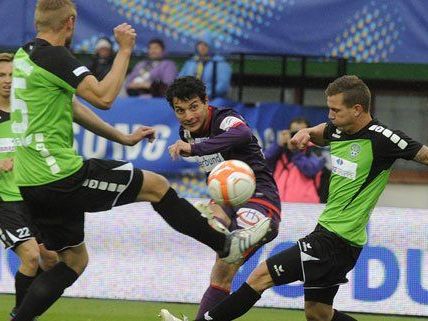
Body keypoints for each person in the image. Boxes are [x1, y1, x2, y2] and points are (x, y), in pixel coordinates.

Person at [10, 1, 271, 320]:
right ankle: (225, 245)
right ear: (70, 22)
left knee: (73, 262)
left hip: (30, 181)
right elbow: (104, 97)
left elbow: (73, 107)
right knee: (156, 186)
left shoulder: (24, 56)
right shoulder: (55, 56)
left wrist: (121, 137)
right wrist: (124, 50)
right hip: (61, 175)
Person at [160, 75, 428, 321]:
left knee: (260, 275)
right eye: (329, 109)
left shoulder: (384, 138)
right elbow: (322, 132)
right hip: (336, 236)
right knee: (318, 313)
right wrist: (306, 132)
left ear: (357, 109)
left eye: (335, 110)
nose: (330, 115)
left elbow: (423, 154)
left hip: (335, 238)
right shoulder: (338, 130)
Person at [166, 76, 281, 320]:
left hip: (260, 198)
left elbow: (242, 133)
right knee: (222, 271)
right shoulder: (187, 133)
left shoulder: (225, 118)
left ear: (206, 102)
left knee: (227, 262)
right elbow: (215, 172)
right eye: (180, 110)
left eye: (194, 106)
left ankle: (234, 234)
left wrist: (195, 149)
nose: (188, 116)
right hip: (229, 203)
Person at [0, 52, 58, 320]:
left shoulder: (29, 112)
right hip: (5, 201)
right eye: (1, 75)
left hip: (33, 197)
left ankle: (26, 311)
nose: (7, 81)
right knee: (32, 257)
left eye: (12, 75)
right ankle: (21, 315)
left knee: (52, 260)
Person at [264, 117, 327, 203]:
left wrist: (295, 151)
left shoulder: (315, 150)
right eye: (294, 133)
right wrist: (278, 145)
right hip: (279, 204)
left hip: (308, 207)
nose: (297, 136)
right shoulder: (280, 150)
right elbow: (263, 161)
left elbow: (310, 169)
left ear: (309, 135)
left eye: (301, 133)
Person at [178, 33, 231, 99]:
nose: (202, 47)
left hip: (212, 99)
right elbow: (180, 79)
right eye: (200, 44)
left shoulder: (220, 62)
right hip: (189, 98)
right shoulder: (191, 61)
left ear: (211, 46)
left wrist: (205, 95)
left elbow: (223, 85)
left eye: (206, 44)